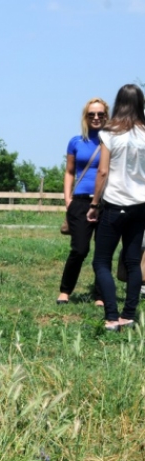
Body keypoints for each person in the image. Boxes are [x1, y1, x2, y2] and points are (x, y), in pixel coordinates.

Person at [87, 84, 145, 331]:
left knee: (101, 261)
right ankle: (128, 316)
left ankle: (111, 317)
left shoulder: (109, 133)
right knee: (133, 262)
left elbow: (102, 171)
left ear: (119, 103)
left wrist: (93, 204)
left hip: (113, 204)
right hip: (140, 205)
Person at [56, 98, 109, 306]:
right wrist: (68, 199)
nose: (96, 118)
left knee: (103, 250)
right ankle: (65, 290)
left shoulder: (112, 141)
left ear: (107, 116)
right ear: (85, 117)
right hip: (79, 202)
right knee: (80, 248)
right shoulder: (76, 142)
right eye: (91, 114)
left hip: (107, 201)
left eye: (100, 114)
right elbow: (69, 172)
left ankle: (100, 295)